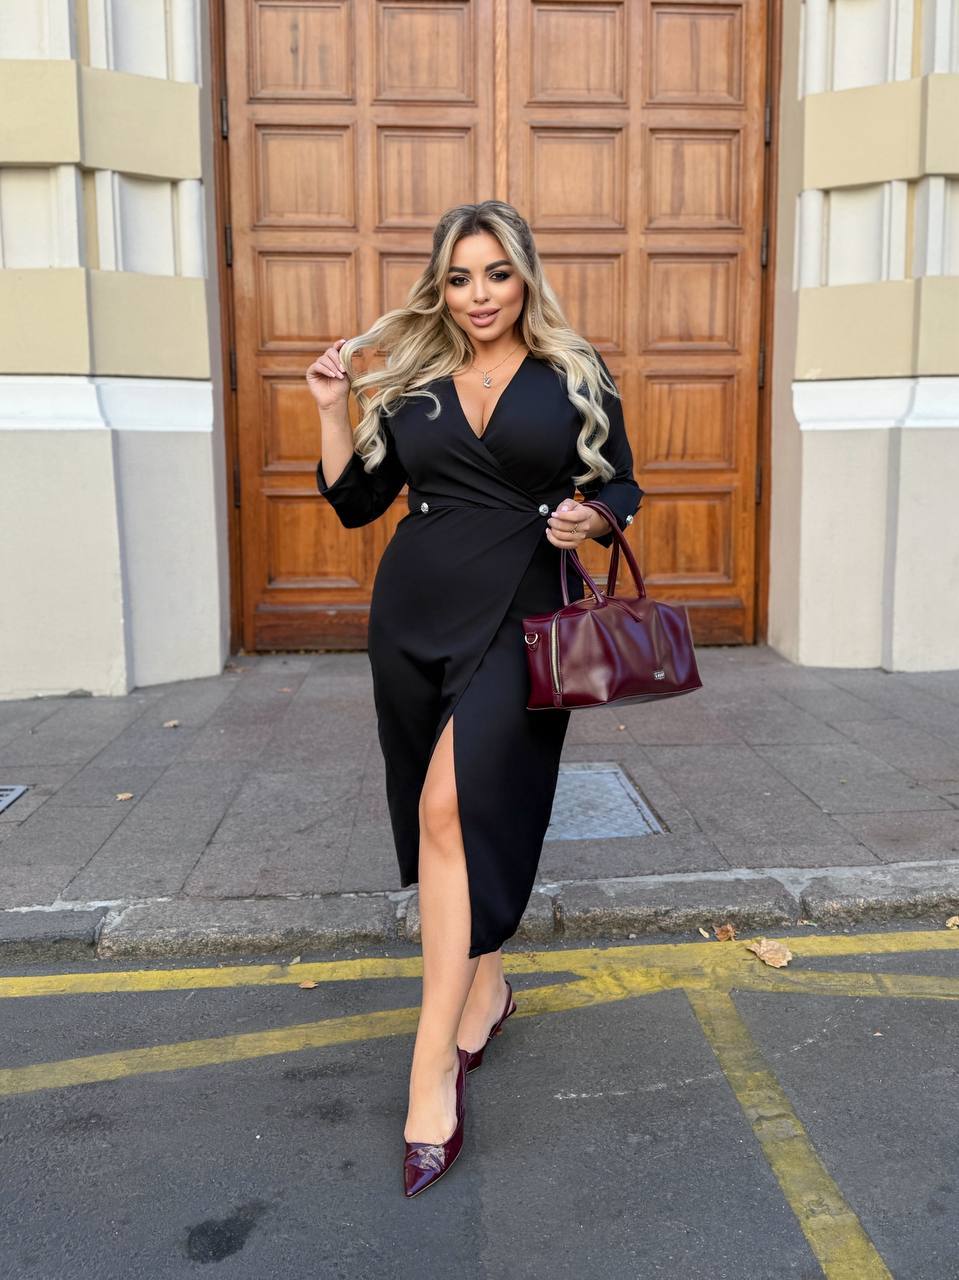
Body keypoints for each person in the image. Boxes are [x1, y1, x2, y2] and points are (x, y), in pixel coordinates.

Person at [306, 199, 642, 1197]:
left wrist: (589, 516)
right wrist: (330, 407)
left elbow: (621, 486)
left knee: (451, 809)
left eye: (496, 273)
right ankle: (485, 985)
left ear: (523, 275)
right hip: (412, 619)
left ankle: (429, 1076)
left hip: (523, 619)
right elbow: (355, 504)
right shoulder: (413, 380)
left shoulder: (572, 372)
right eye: (459, 278)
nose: (479, 295)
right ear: (439, 288)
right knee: (433, 819)